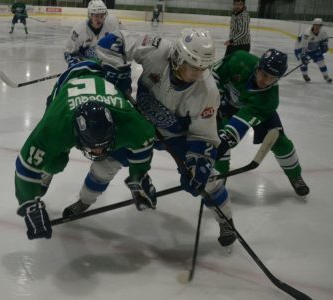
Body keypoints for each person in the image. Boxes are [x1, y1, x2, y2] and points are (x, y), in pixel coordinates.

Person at [86, 29, 238, 249]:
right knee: (105, 163)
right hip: (139, 124)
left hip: (176, 135)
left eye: (201, 69)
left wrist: (200, 163)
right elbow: (114, 41)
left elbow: (203, 134)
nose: (196, 75)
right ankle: (84, 200)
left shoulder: (208, 90)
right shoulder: (157, 49)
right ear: (177, 57)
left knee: (209, 180)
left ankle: (226, 221)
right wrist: (117, 70)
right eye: (191, 68)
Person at [14, 60, 156, 240]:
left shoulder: (127, 121)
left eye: (103, 146)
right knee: (54, 162)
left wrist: (139, 177)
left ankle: (85, 200)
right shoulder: (56, 125)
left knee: (107, 165)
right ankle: (47, 173)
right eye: (93, 148)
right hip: (66, 88)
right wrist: (30, 205)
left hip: (99, 84)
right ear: (75, 134)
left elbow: (144, 140)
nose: (97, 153)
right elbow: (27, 164)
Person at [213, 49, 310, 197]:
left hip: (256, 109)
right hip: (225, 104)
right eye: (264, 74)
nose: (265, 81)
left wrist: (228, 139)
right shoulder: (239, 60)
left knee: (280, 142)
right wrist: (213, 96)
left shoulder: (269, 99)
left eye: (272, 78)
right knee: (218, 139)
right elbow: (213, 75)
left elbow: (242, 121)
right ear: (257, 67)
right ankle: (219, 177)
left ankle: (295, 175)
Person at [63, 0, 122, 68]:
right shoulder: (79, 30)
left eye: (102, 16)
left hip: (105, 65)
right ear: (90, 15)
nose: (100, 19)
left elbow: (122, 42)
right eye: (96, 16)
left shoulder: (112, 24)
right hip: (85, 65)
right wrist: (75, 63)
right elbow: (68, 52)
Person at [294, 18, 332, 83]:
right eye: (316, 25)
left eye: (319, 25)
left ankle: (326, 76)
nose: (317, 27)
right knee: (303, 63)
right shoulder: (307, 33)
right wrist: (303, 56)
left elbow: (325, 41)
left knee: (321, 62)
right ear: (313, 25)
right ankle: (305, 75)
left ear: (321, 26)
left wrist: (324, 46)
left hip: (314, 49)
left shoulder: (323, 33)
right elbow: (303, 45)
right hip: (300, 48)